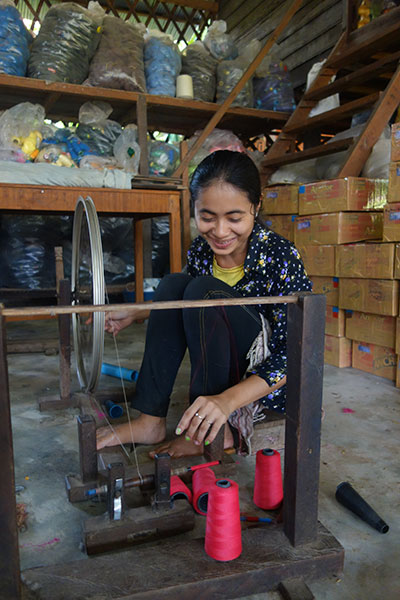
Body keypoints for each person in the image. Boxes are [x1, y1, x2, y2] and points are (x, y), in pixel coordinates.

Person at [96, 150, 312, 457]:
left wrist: (226, 401)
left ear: (256, 206)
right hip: (224, 356)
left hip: (260, 384)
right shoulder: (200, 250)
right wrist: (137, 312)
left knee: (202, 291)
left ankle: (212, 431)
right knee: (174, 284)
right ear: (194, 209)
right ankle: (149, 419)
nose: (221, 232)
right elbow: (183, 300)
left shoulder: (281, 257)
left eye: (235, 218)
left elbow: (295, 353)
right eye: (207, 217)